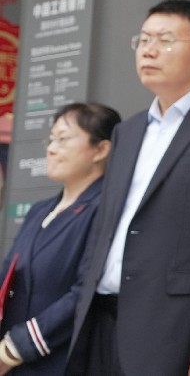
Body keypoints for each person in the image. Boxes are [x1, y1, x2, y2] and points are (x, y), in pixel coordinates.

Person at [67, 0, 190, 376]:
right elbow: (106, 229)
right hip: (101, 323)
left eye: (166, 40)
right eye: (143, 40)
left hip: (175, 331)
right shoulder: (127, 132)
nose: (149, 50)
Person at [0, 103, 119, 375]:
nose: (51, 149)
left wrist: (16, 347)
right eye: (51, 139)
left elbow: (85, 293)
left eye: (63, 139)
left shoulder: (104, 208)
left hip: (62, 361)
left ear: (101, 149)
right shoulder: (39, 211)